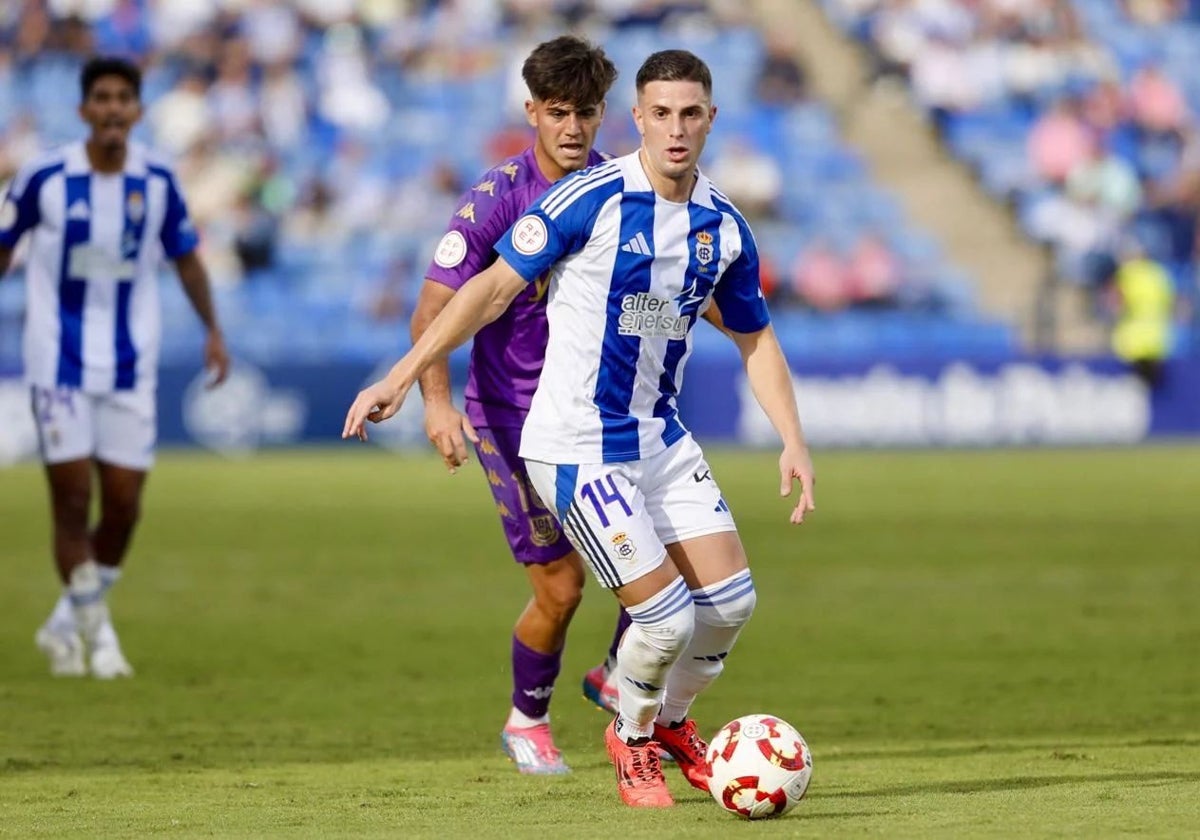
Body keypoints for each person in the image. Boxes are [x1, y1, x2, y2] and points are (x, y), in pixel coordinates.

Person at [345, 49, 815, 808]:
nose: (675, 128)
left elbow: (754, 335)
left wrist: (793, 438)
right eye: (660, 113)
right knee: (645, 616)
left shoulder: (722, 225)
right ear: (639, 118)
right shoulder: (582, 198)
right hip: (567, 442)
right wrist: (406, 381)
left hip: (658, 440)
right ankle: (620, 737)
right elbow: (485, 291)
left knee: (729, 605)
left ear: (711, 120)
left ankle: (664, 720)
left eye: (690, 113)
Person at [408, 35, 629, 776]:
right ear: (532, 110)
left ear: (605, 115)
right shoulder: (497, 197)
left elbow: (647, 304)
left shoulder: (622, 192)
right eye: (558, 112)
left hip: (601, 413)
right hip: (511, 415)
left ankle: (621, 675)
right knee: (563, 586)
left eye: (586, 113)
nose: (572, 128)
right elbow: (435, 309)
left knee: (678, 558)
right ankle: (527, 720)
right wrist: (438, 405)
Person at [0, 56, 229, 679]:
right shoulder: (43, 176)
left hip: (131, 366)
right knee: (72, 502)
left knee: (124, 508)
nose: (110, 108)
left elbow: (185, 258)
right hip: (58, 364)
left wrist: (212, 330)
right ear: (83, 110)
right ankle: (99, 639)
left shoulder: (157, 179)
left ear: (136, 110)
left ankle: (62, 622)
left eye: (122, 97)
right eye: (100, 97)